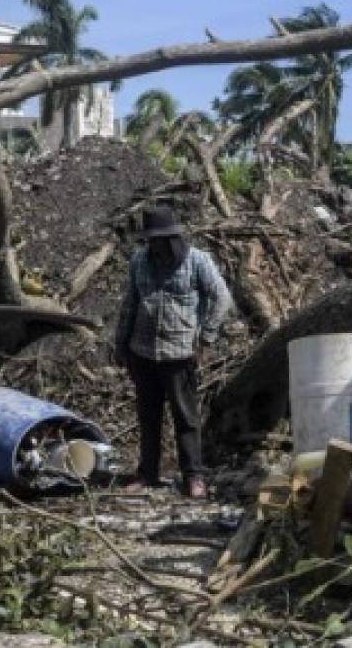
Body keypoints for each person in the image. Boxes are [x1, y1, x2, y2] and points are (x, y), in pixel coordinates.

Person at [114, 205, 232, 498]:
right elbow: (130, 303)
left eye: (160, 240)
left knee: (186, 417)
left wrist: (205, 338)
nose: (155, 246)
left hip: (180, 354)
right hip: (143, 352)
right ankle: (147, 474)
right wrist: (121, 343)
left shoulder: (196, 261)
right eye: (150, 240)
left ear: (172, 238)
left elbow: (222, 298)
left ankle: (193, 476)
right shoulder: (140, 261)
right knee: (148, 415)